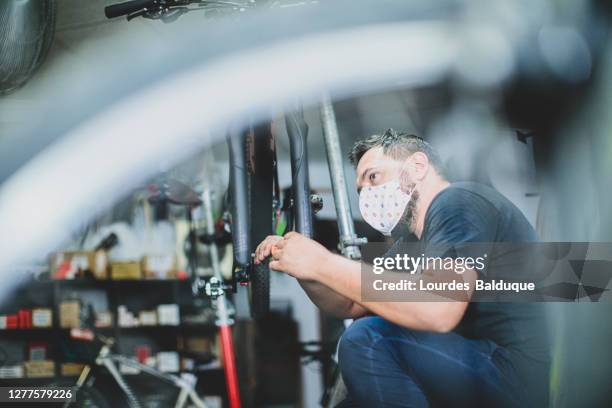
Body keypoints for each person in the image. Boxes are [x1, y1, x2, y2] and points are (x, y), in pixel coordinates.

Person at [254, 129, 550, 407]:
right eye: (361, 189)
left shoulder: (458, 202)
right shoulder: (413, 244)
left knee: (369, 338)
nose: (367, 194)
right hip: (476, 367)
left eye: (374, 177)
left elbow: (439, 308)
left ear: (418, 166)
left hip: (514, 379)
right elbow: (348, 301)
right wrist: (308, 269)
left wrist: (323, 261)